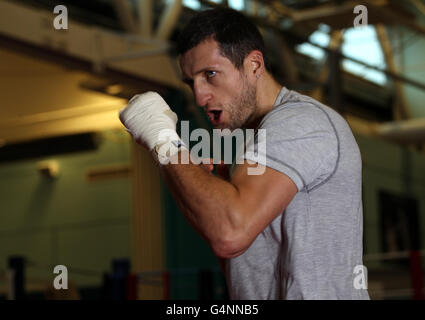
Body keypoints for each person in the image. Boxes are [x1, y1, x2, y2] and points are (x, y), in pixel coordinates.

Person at [119, 8, 370, 300]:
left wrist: (163, 141)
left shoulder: (301, 122)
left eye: (210, 74)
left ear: (253, 65)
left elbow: (230, 234)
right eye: (191, 83)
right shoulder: (251, 142)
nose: (200, 97)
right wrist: (205, 187)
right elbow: (231, 249)